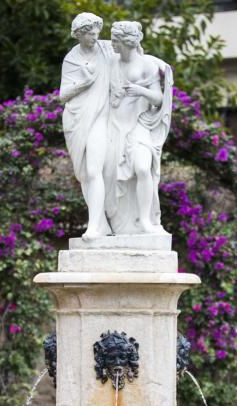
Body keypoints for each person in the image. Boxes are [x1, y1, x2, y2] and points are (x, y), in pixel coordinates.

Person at [105, 21, 173, 235]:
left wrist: (139, 90)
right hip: (114, 125)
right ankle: (119, 224)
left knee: (143, 168)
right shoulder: (111, 63)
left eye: (115, 40)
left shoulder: (146, 65)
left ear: (126, 42)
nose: (112, 44)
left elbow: (159, 98)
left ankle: (146, 221)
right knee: (111, 176)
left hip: (139, 125)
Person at [60, 13, 115, 239]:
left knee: (94, 170)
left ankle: (93, 227)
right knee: (83, 173)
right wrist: (84, 83)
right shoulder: (71, 59)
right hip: (76, 118)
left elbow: (135, 55)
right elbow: (63, 95)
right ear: (80, 35)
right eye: (90, 34)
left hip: (101, 117)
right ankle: (101, 223)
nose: (95, 37)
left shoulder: (108, 50)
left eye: (96, 33)